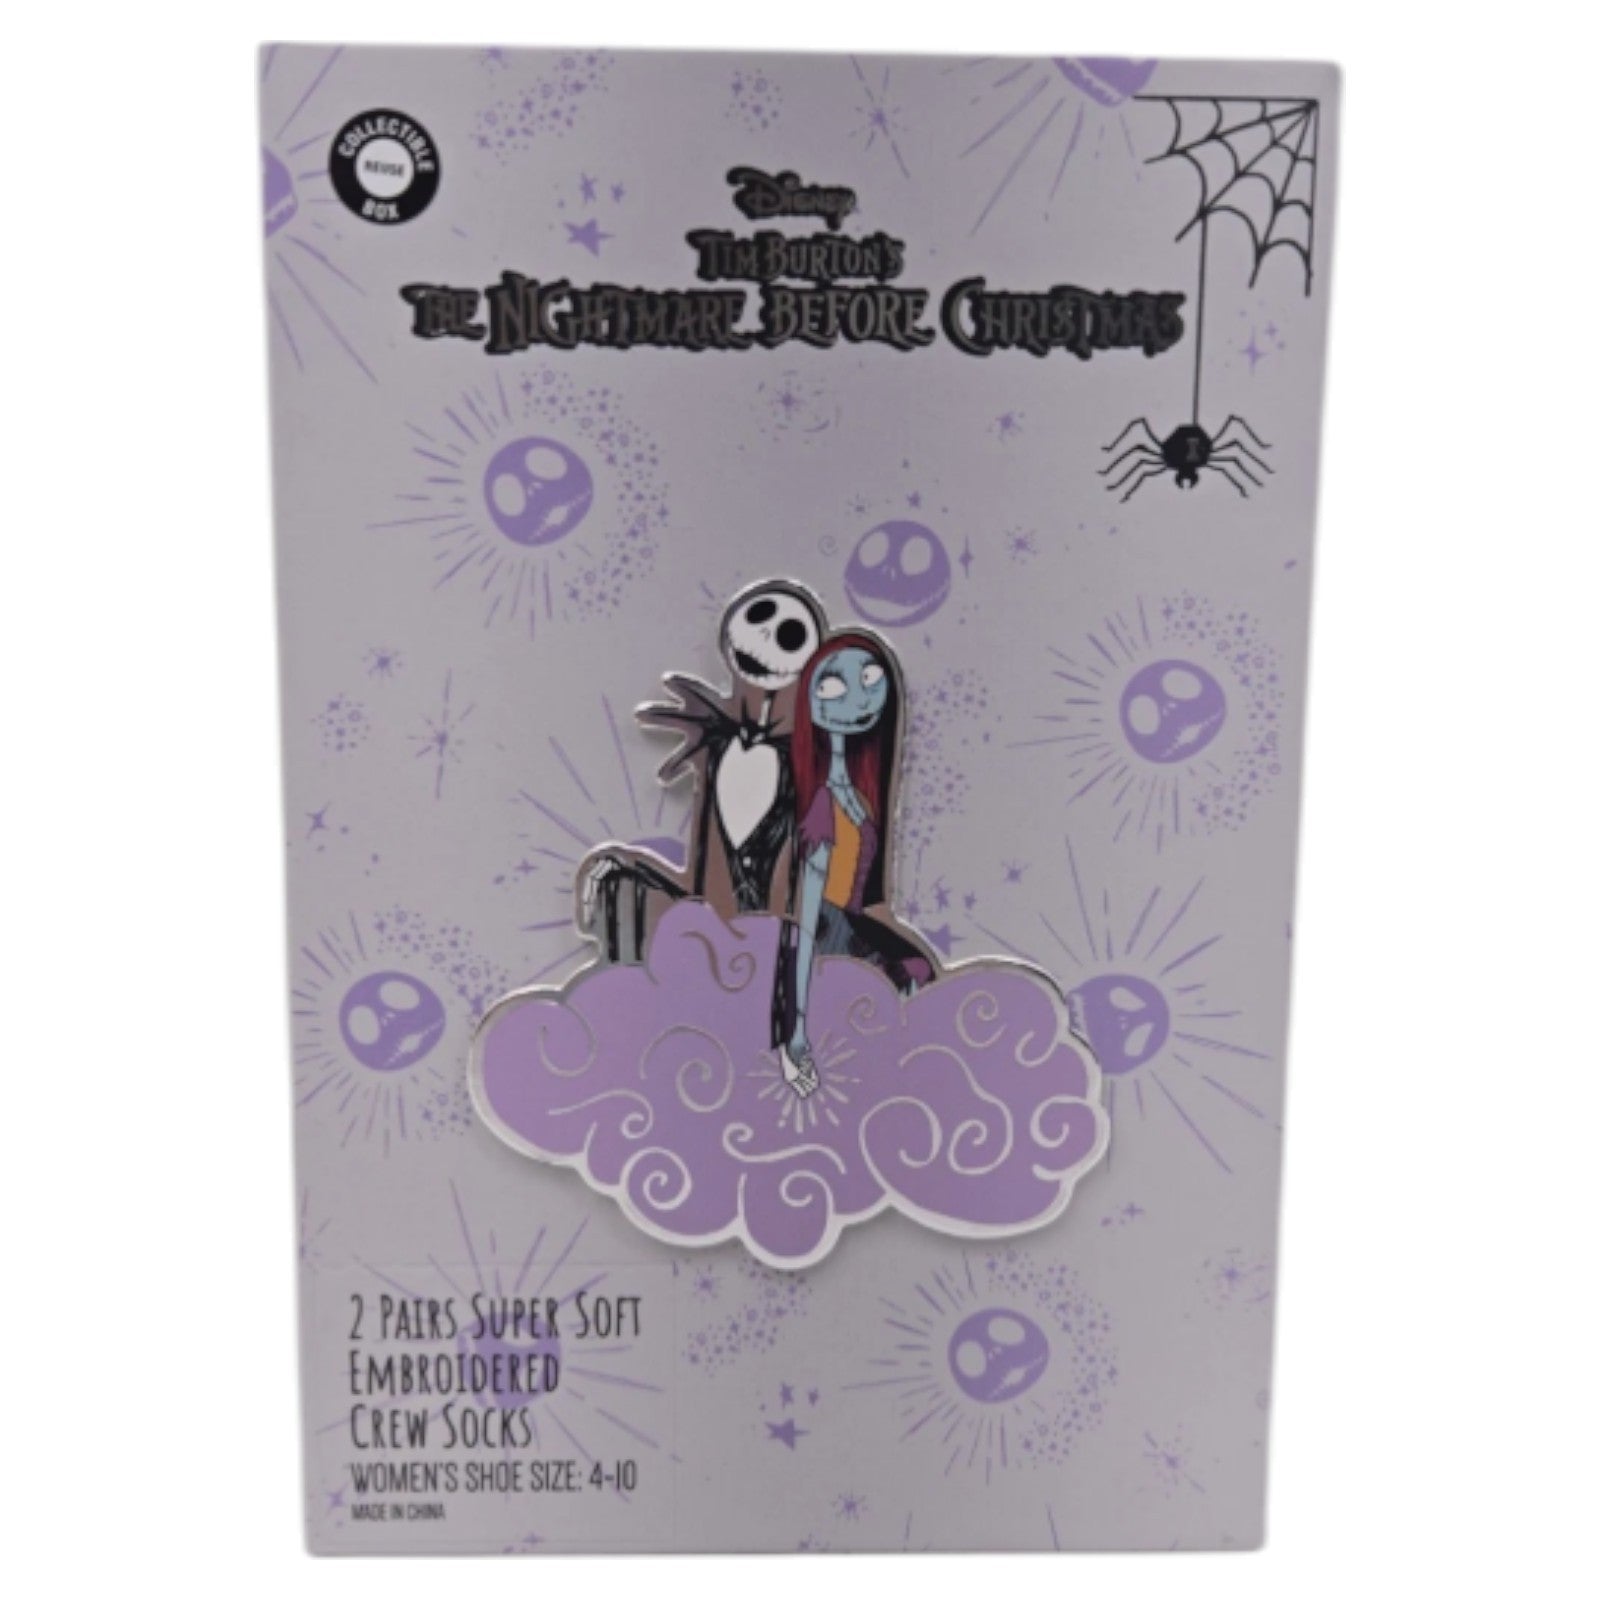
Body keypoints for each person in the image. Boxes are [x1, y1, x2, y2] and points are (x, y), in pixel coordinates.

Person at [781, 631, 936, 1096]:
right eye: (833, 687)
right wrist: (794, 1034)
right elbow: (807, 916)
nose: (859, 699)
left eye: (871, 680)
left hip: (852, 921)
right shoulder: (822, 805)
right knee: (905, 974)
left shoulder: (859, 796)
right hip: (829, 928)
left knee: (915, 972)